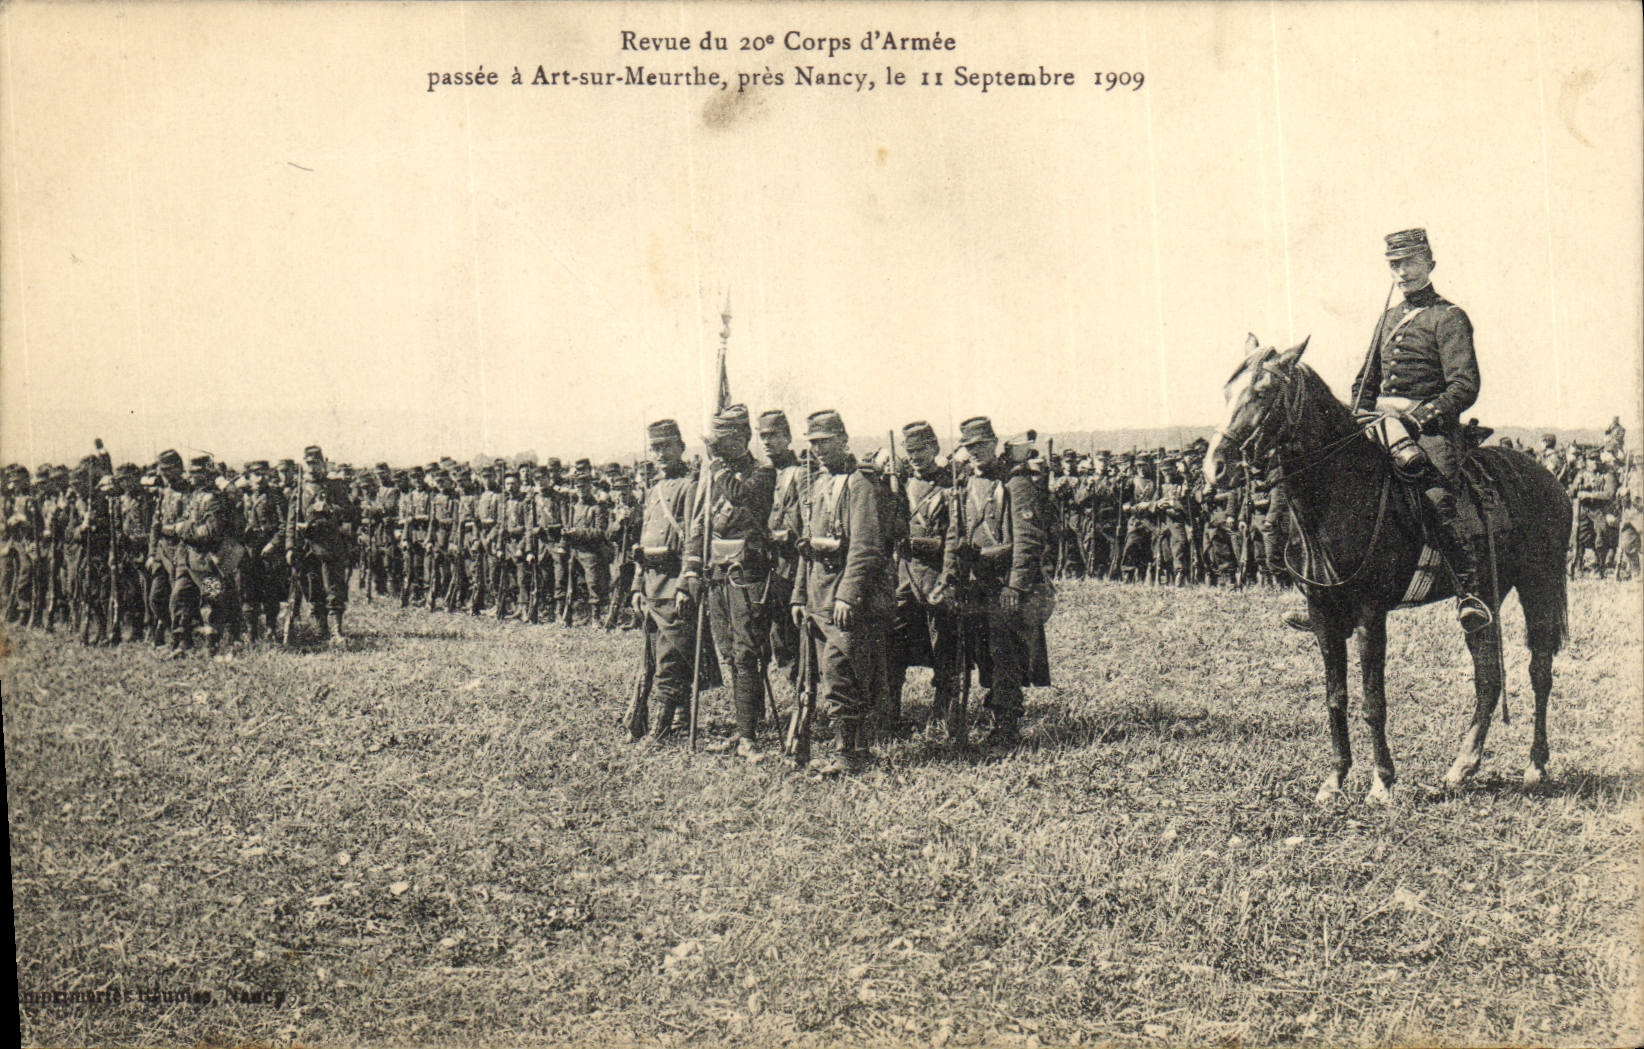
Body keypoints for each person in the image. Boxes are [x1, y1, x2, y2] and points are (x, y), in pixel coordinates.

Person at [1349, 227, 1492, 632]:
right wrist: (1359, 414)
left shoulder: (1448, 317)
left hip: (1429, 430)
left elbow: (1464, 386)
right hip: (1380, 425)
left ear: (1429, 262)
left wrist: (1418, 416)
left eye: (1409, 263)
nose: (1402, 272)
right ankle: (1328, 593)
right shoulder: (1387, 319)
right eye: (1394, 264)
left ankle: (1470, 592)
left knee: (1436, 493)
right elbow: (1365, 383)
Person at [942, 418, 1052, 748]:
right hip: (974, 584)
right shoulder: (963, 485)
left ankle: (1006, 724)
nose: (975, 453)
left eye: (980, 445)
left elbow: (1028, 541)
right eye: (969, 448)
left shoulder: (1015, 484)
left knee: (1005, 655)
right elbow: (953, 534)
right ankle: (992, 718)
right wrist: (949, 576)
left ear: (993, 443)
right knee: (983, 654)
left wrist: (1015, 587)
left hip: (1002, 584)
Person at [791, 409, 889, 773]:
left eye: (824, 442)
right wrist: (799, 596)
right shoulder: (816, 485)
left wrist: (848, 594)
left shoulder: (859, 484)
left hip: (845, 598)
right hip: (817, 596)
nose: (817, 450)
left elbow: (865, 545)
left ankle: (852, 754)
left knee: (842, 670)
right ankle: (846, 749)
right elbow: (807, 547)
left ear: (844, 441)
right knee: (826, 674)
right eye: (813, 443)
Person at [685, 404, 776, 759]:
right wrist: (694, 566)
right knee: (728, 653)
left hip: (746, 576)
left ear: (742, 437)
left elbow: (744, 497)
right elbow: (700, 524)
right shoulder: (712, 477)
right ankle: (742, 730)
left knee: (746, 654)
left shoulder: (762, 473)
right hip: (718, 576)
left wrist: (717, 466)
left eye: (723, 440)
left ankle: (749, 736)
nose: (717, 447)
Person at [627, 420, 701, 743]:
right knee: (653, 657)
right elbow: (642, 543)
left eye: (666, 447)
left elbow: (694, 540)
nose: (660, 454)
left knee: (672, 658)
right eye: (655, 448)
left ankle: (662, 728)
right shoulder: (652, 490)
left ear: (681, 447)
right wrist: (636, 586)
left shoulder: (690, 487)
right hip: (651, 585)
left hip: (674, 584)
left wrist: (687, 584)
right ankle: (663, 721)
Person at [888, 420, 961, 737]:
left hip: (936, 578)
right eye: (910, 451)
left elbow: (955, 538)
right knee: (894, 645)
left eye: (922, 450)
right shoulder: (899, 485)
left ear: (935, 449)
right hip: (904, 578)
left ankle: (942, 713)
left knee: (944, 646)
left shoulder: (949, 486)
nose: (916, 456)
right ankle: (889, 715)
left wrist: (921, 546)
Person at [282, 445, 357, 645]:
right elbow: (290, 522)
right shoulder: (299, 489)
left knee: (333, 589)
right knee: (311, 589)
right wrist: (290, 547)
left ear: (323, 463)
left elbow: (349, 512)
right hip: (306, 548)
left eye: (316, 463)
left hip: (329, 546)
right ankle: (320, 629)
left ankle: (336, 631)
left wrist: (329, 508)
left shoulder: (334, 487)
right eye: (309, 464)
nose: (312, 468)